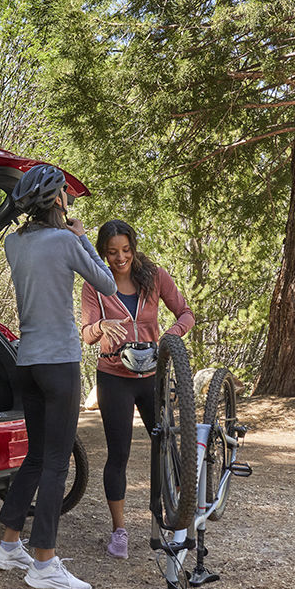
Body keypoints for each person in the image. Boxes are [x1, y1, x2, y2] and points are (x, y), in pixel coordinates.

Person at [0, 164, 117, 589]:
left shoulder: (13, 244)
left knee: (37, 458)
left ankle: (8, 546)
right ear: (58, 200)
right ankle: (43, 561)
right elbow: (106, 283)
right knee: (56, 462)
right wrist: (82, 236)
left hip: (26, 362)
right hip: (60, 363)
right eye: (64, 193)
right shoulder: (66, 241)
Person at [80, 219, 194, 559]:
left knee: (168, 446)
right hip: (114, 377)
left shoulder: (154, 275)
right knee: (119, 456)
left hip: (152, 378)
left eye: (126, 250)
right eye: (112, 252)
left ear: (134, 246)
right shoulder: (95, 284)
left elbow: (185, 313)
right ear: (102, 253)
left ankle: (176, 519)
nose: (120, 258)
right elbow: (85, 333)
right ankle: (119, 532)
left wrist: (170, 337)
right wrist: (100, 326)